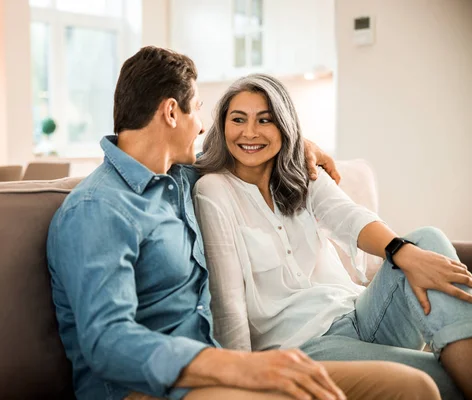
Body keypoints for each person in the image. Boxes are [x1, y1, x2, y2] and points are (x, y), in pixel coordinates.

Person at [47, 46, 440, 400]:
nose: (202, 127)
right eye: (197, 108)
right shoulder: (98, 209)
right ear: (171, 112)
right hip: (152, 390)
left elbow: (245, 152)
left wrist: (298, 143)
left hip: (220, 375)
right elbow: (107, 341)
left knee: (415, 387)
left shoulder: (179, 180)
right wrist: (240, 367)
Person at [192, 73, 472, 399]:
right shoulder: (213, 190)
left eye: (265, 120)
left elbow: (350, 217)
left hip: (359, 313)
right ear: (222, 126)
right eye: (237, 119)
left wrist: (401, 250)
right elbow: (229, 303)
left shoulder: (302, 173)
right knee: (442, 381)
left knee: (426, 239)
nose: (249, 132)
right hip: (307, 346)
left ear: (285, 125)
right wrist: (243, 380)